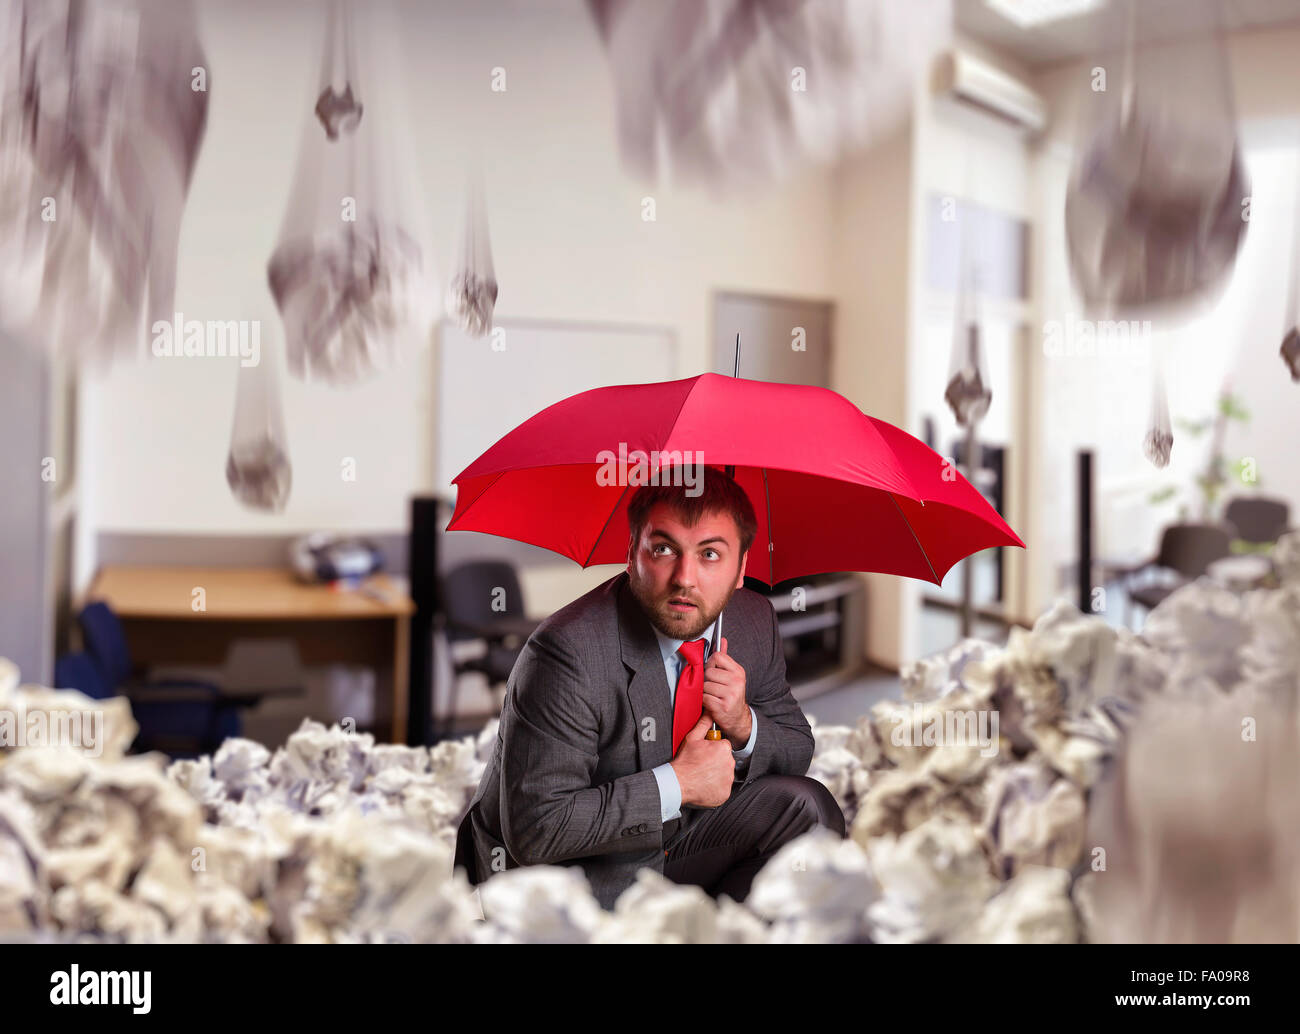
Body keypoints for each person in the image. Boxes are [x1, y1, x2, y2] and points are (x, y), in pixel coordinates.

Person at [453, 466, 846, 911]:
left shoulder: (754, 620)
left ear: (741, 569)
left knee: (809, 808)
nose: (685, 577)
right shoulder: (566, 652)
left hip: (677, 844)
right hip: (575, 876)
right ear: (631, 554)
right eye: (663, 549)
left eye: (710, 554)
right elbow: (536, 830)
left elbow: (796, 749)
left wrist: (742, 723)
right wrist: (677, 784)